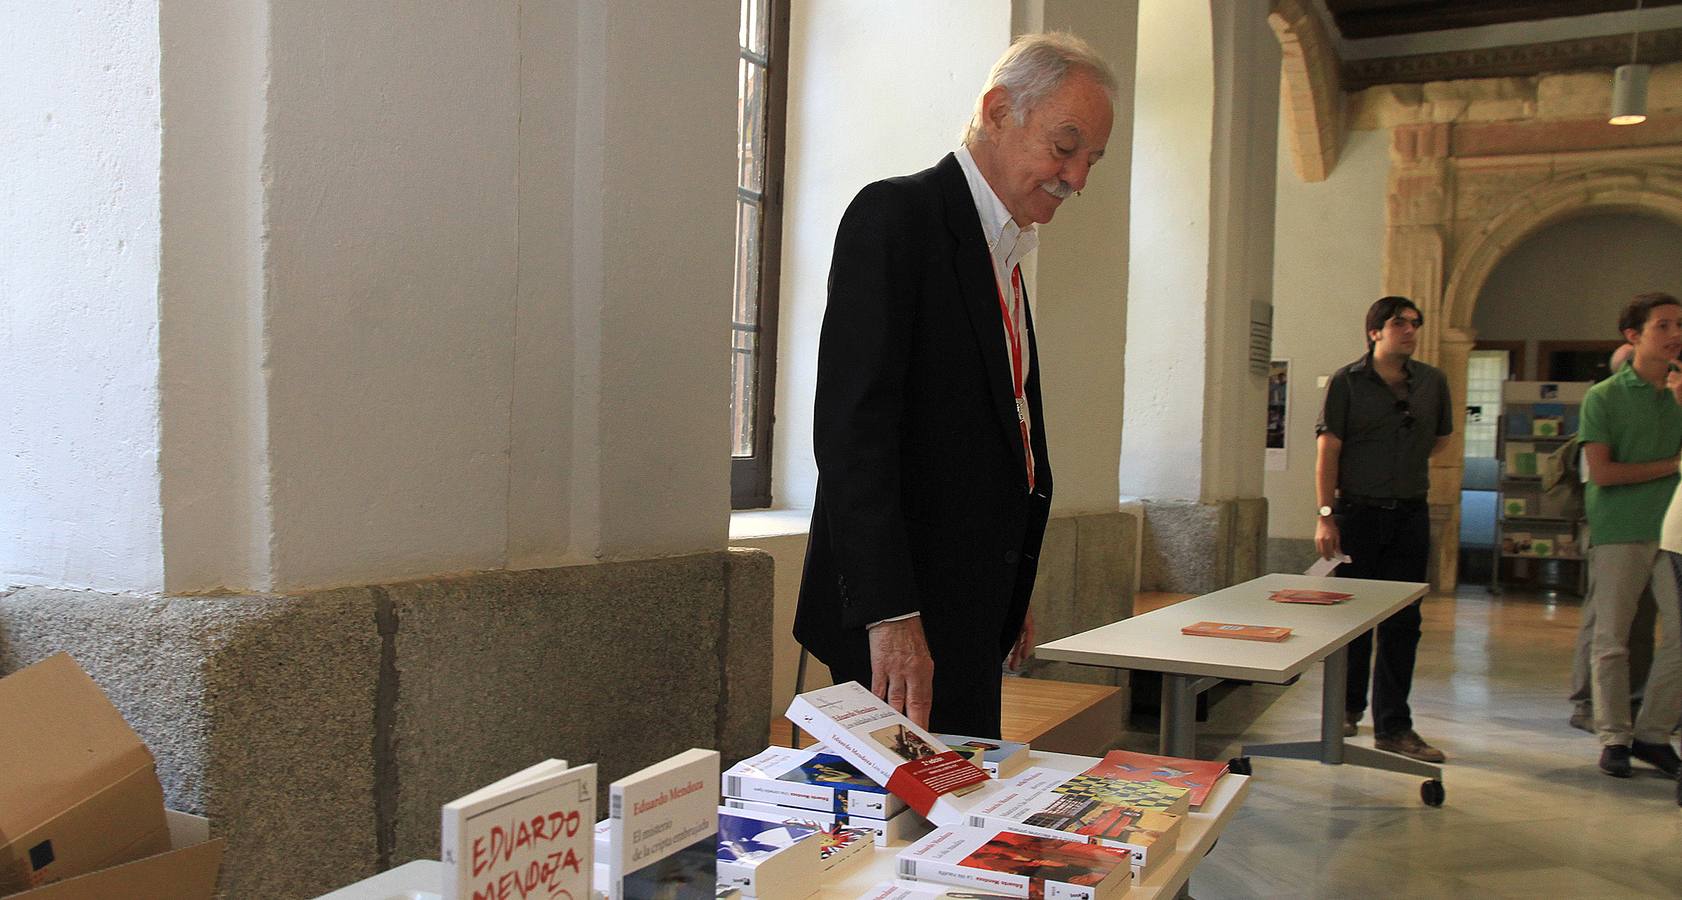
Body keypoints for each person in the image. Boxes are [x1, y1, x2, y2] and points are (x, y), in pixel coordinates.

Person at [792, 33, 1117, 736]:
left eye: (1091, 159)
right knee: (892, 836)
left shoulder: (1002, 249)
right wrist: (891, 616)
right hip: (902, 622)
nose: (1079, 177)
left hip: (967, 611)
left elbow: (995, 437)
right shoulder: (896, 217)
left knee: (958, 825)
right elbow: (854, 435)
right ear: (999, 111)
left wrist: (1009, 583)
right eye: (1066, 147)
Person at [1314, 296, 1453, 763]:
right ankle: (1345, 709)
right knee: (1352, 618)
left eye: (1416, 323)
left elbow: (1439, 439)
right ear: (1375, 331)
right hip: (1358, 514)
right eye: (1399, 323)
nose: (1410, 330)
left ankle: (1394, 726)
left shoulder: (1433, 382)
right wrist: (1326, 514)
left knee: (1403, 622)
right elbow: (1328, 451)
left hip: (1410, 513)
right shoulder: (1347, 382)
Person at [1579, 293, 1682, 778]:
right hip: (1621, 528)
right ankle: (1614, 736)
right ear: (1633, 336)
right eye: (1663, 325)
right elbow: (1602, 473)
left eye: (1679, 325)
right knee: (1612, 638)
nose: (1675, 334)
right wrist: (1672, 466)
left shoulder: (1680, 392)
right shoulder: (1604, 397)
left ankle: (1653, 733)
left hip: (1676, 531)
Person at [1567, 341, 1654, 734]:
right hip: (1612, 528)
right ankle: (1588, 702)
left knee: (1642, 620)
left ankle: (1633, 701)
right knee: (1604, 622)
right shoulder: (1604, 404)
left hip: (1655, 530)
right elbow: (1600, 474)